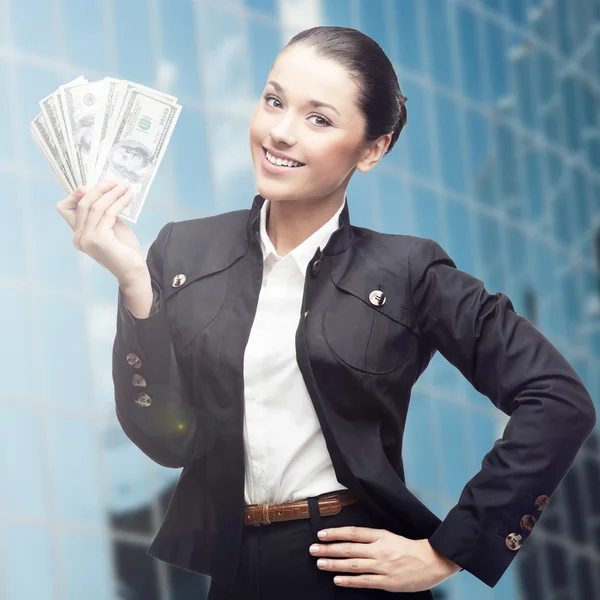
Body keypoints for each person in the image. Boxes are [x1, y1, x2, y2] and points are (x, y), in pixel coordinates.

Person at [56, 25, 596, 600]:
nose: (281, 133)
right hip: (234, 570)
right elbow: (170, 442)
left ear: (373, 149)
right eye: (274, 100)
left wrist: (449, 550)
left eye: (319, 119)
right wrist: (135, 282)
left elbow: (558, 399)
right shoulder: (180, 252)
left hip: (349, 569)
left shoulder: (408, 271)